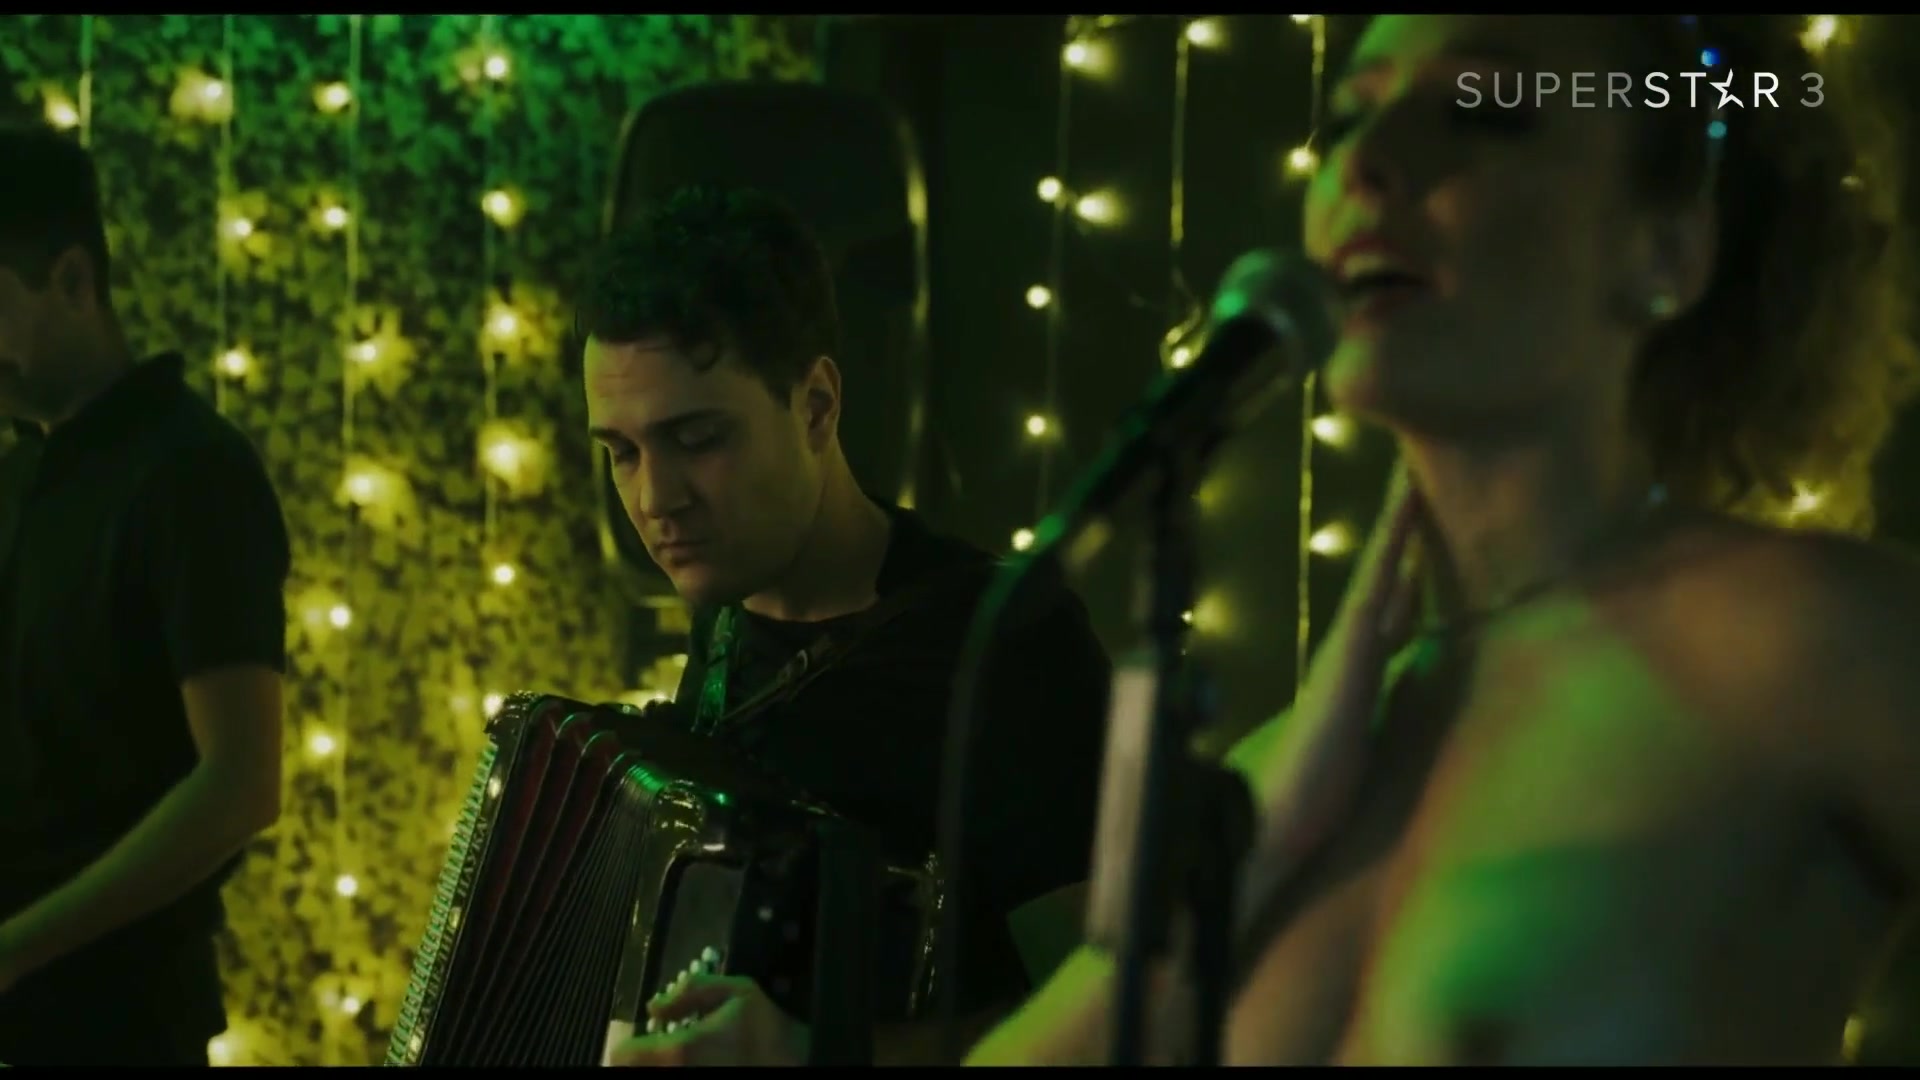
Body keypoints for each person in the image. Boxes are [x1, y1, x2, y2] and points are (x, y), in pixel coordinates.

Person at [967, 13, 1920, 1066]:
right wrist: (1259, 849)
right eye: (1346, 121)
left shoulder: (1802, 639)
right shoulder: (1292, 762)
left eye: (1482, 107)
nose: (1367, 163)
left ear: (1665, 250)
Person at [577, 183, 1111, 1066]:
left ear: (817, 406)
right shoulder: (724, 625)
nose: (655, 498)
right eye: (622, 453)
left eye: (698, 439)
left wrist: (816, 1056)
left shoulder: (1004, 643)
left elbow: (1113, 1021)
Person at [0, 124, 291, 1066]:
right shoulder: (21, 473)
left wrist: (12, 951)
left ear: (72, 280)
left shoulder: (190, 472)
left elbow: (241, 783)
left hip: (118, 1028)